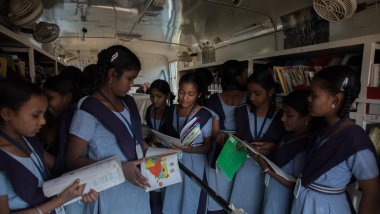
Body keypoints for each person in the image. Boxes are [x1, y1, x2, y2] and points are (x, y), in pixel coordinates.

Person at [66, 45, 151, 214]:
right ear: (112, 74)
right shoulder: (88, 109)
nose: (132, 84)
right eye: (129, 78)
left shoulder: (128, 104)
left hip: (137, 189)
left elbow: (135, 141)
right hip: (109, 194)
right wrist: (119, 167)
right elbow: (73, 159)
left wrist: (155, 152)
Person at [291, 65, 380, 214]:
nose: (308, 98)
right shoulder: (324, 129)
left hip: (326, 208)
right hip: (306, 203)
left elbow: (373, 193)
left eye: (314, 95)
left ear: (336, 100)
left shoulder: (354, 139)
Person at [0, 79, 97, 213]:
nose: (43, 121)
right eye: (35, 116)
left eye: (43, 114)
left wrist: (82, 187)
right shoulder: (3, 159)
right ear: (7, 114)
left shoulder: (28, 140)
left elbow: (54, 169)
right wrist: (60, 200)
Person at [229, 70, 286, 214]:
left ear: (271, 91)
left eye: (257, 93)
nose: (252, 97)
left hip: (268, 173)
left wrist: (274, 148)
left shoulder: (282, 117)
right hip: (244, 171)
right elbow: (235, 137)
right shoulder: (241, 112)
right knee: (240, 208)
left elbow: (287, 146)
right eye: (249, 93)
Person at [161, 72, 213, 214]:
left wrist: (190, 150)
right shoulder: (171, 110)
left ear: (199, 94)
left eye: (191, 94)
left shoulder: (205, 115)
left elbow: (208, 146)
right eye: (182, 92)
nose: (184, 98)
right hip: (172, 163)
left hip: (194, 165)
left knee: (190, 201)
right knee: (172, 199)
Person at [258, 89, 315, 214]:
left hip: (283, 201)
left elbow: (298, 185)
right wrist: (273, 148)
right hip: (273, 197)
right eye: (283, 113)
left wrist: (267, 170)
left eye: (289, 115)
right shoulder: (288, 136)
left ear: (307, 117)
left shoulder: (304, 145)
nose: (283, 119)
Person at [205, 60, 247, 213]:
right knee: (239, 194)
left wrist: (221, 137)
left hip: (221, 149)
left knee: (219, 193)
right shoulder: (250, 97)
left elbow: (215, 131)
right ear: (238, 77)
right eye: (244, 75)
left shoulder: (214, 99)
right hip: (243, 149)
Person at [39, 75, 81, 177]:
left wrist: (33, 150)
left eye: (50, 98)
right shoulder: (60, 118)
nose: (45, 104)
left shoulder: (74, 118)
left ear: (67, 98)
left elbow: (63, 167)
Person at [144, 79, 175, 214]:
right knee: (153, 190)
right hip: (151, 153)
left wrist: (160, 141)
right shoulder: (150, 110)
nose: (154, 100)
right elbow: (149, 129)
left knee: (167, 191)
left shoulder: (172, 112)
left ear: (167, 96)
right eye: (152, 96)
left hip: (167, 155)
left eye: (158, 96)